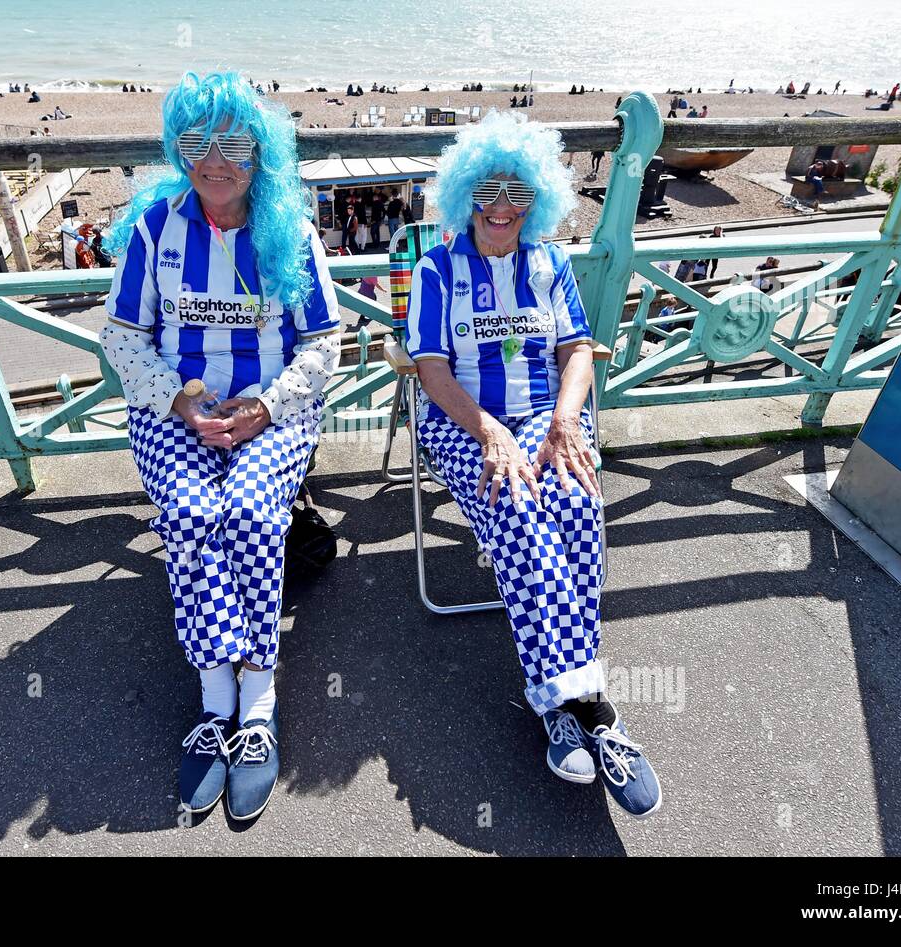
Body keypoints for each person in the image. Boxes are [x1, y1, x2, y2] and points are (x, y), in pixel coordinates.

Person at [98, 71, 341, 822]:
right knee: (193, 515)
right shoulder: (154, 229)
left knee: (252, 514)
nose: (215, 158)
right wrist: (177, 395)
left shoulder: (291, 235)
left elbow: (325, 340)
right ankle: (216, 702)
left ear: (259, 153)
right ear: (177, 149)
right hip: (174, 408)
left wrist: (265, 407)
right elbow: (121, 334)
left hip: (272, 412)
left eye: (235, 142)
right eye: (196, 141)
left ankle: (257, 706)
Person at [404, 112, 662, 817]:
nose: (500, 207)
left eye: (517, 193)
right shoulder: (436, 270)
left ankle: (562, 705)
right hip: (467, 425)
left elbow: (577, 348)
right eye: (486, 191)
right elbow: (428, 368)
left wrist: (563, 418)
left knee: (577, 502)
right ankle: (593, 710)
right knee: (519, 509)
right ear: (465, 195)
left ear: (537, 199)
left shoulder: (550, 265)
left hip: (544, 419)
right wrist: (490, 431)